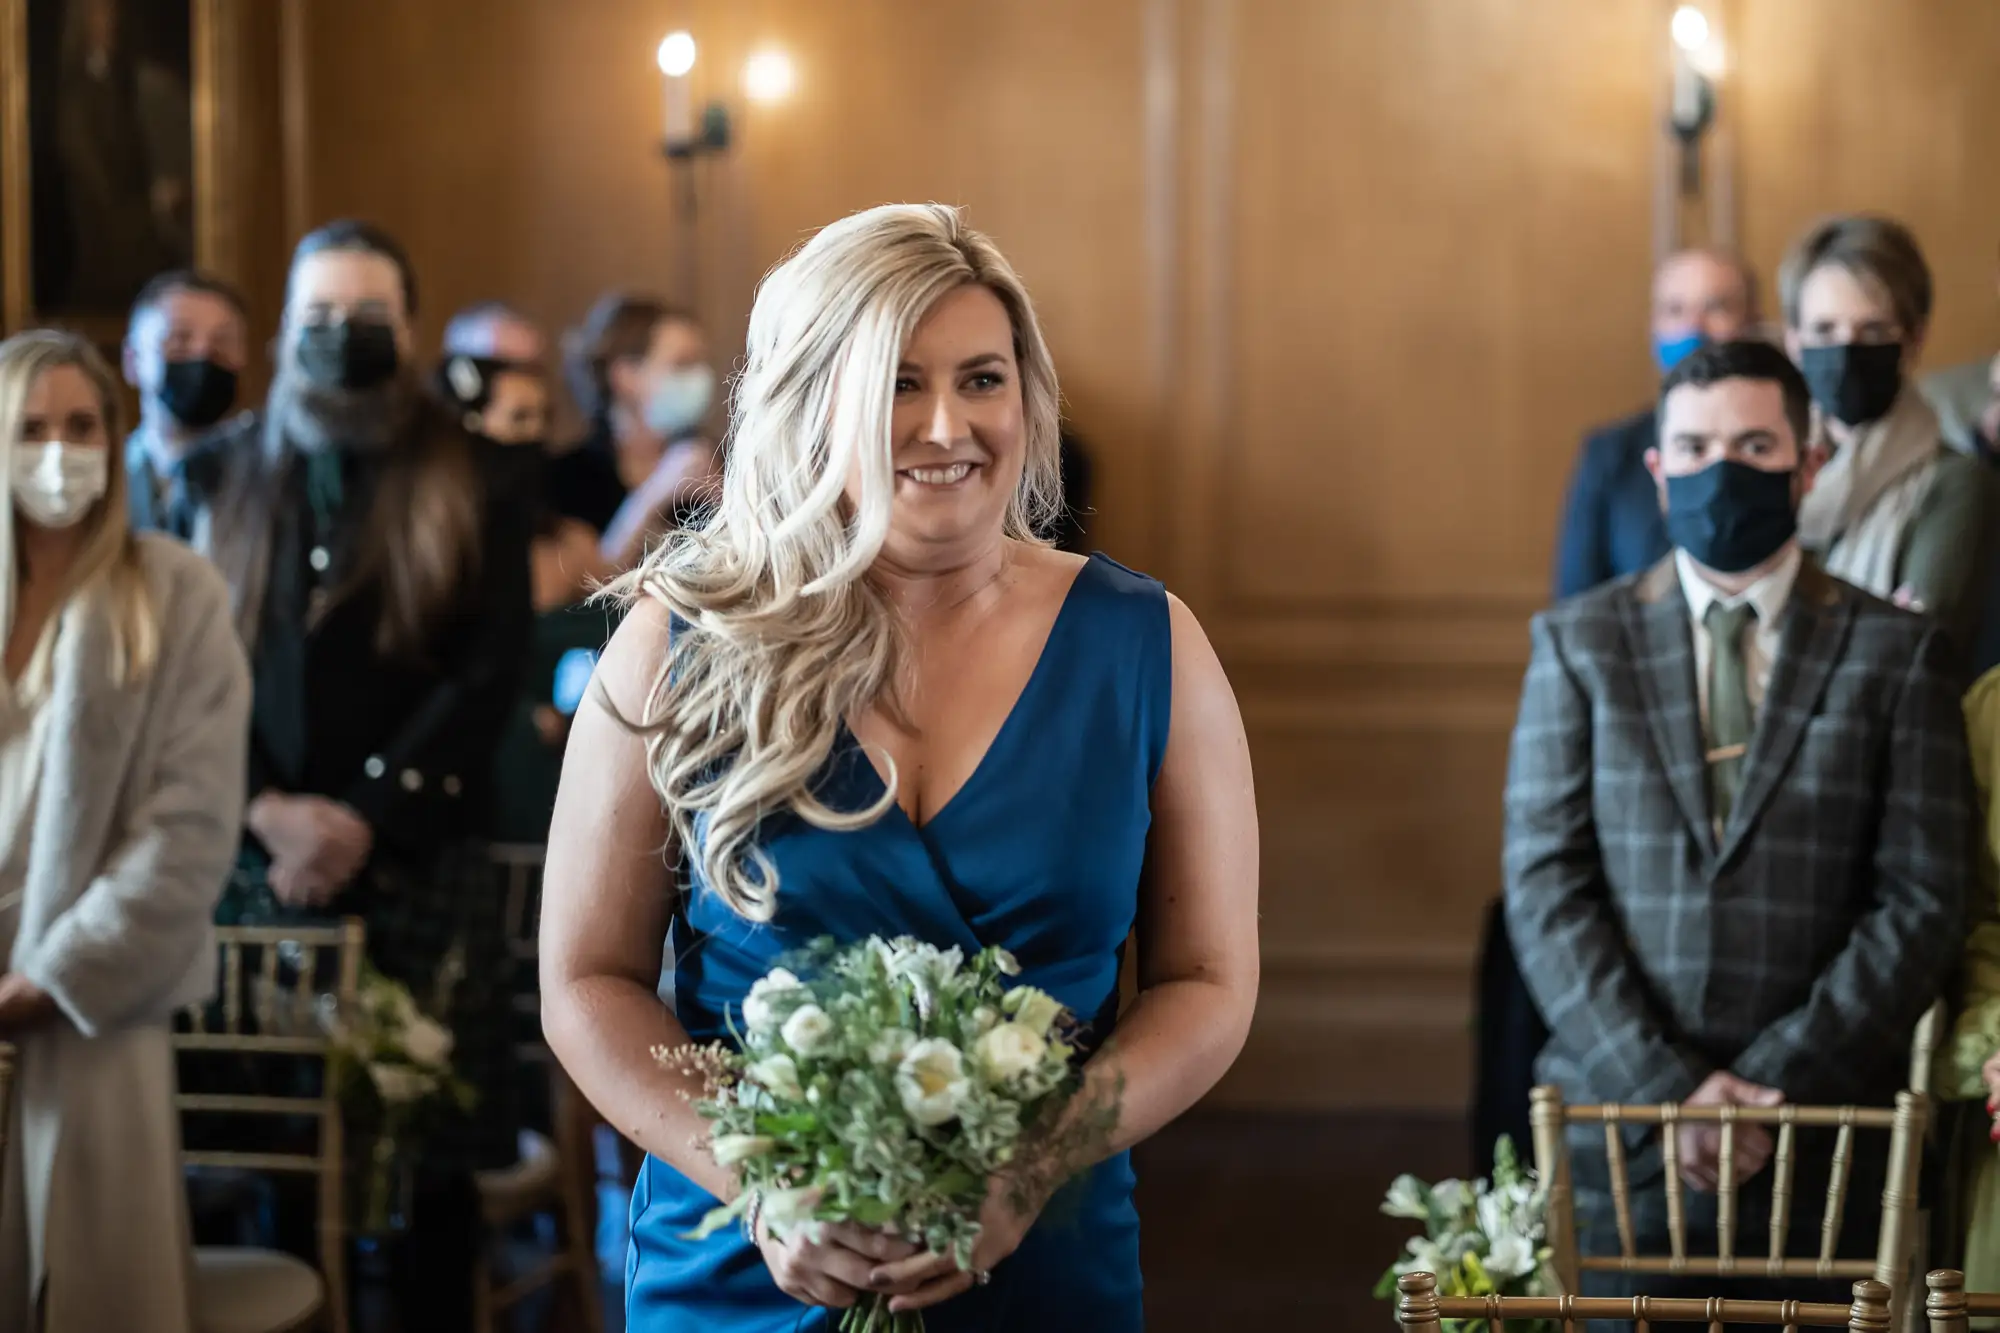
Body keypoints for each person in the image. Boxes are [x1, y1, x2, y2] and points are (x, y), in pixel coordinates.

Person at [539, 203, 1260, 1330]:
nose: (944, 426)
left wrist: (1027, 1168)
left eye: (982, 378)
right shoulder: (678, 638)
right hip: (742, 1264)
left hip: (1037, 1264)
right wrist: (759, 1173)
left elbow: (1206, 981)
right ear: (809, 396)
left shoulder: (1146, 641)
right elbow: (586, 977)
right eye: (895, 384)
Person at [1504, 339, 1971, 1306]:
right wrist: (1669, 1089)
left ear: (1810, 463)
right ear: (1658, 467)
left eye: (1756, 445)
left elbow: (1922, 896)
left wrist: (1771, 1088)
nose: (1722, 469)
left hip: (1828, 1136)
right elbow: (1546, 885)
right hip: (1619, 1125)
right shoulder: (1579, 643)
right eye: (1697, 445)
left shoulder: (1900, 651)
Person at [166, 221, 532, 1333]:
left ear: (409, 331)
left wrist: (366, 817)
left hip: (420, 854)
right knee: (279, 1150)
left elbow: (488, 676)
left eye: (365, 319)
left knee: (426, 1161)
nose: (339, 338)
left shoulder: (478, 469)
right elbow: (189, 673)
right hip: (261, 861)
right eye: (318, 318)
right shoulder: (217, 470)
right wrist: (268, 812)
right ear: (284, 329)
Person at [0, 330, 251, 1333]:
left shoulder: (173, 592)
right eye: (30, 428)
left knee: (90, 1281)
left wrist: (48, 978)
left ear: (115, 435)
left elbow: (187, 828)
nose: (58, 451)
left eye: (80, 425)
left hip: (89, 1002)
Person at [1781, 214, 1991, 650]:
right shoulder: (1773, 467)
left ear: (1914, 340)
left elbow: (1913, 643)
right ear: (1794, 341)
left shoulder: (1954, 483)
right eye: (1825, 329)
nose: (1845, 350)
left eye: (1872, 330)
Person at [1550, 249, 1759, 599]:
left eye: (1716, 307)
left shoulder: (1786, 447)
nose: (1694, 327)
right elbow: (1574, 604)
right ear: (1654, 326)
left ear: (1752, 322)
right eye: (1675, 310)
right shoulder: (1610, 453)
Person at [37, 0, 192, 311]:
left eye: (110, 13)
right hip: (100, 233)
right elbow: (88, 171)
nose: (107, 22)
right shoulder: (74, 93)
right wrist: (147, 207)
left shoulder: (134, 80)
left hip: (141, 231)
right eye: (97, 14)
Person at [551, 293, 721, 566]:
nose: (702, 378)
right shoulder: (567, 477)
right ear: (625, 375)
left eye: (702, 362)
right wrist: (653, 494)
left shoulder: (720, 459)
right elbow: (584, 588)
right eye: (683, 364)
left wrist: (723, 500)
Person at [122, 269, 250, 531]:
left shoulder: (269, 481)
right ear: (133, 361)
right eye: (180, 340)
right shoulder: (104, 480)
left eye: (222, 343)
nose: (203, 354)